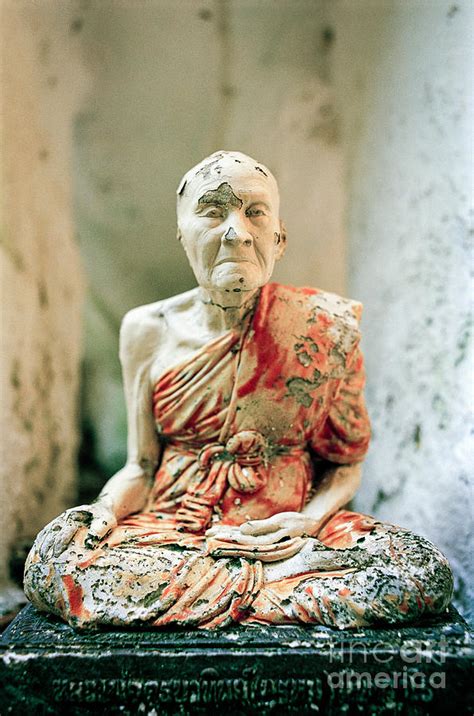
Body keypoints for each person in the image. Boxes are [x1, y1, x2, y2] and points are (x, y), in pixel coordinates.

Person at [24, 151, 453, 629]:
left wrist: (308, 521)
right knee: (54, 562)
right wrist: (103, 512)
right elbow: (141, 465)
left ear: (279, 237)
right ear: (182, 234)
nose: (236, 232)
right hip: (176, 531)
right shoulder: (147, 330)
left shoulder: (324, 328)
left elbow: (345, 464)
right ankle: (269, 595)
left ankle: (216, 597)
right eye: (212, 212)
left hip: (291, 536)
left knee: (420, 570)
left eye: (255, 213)